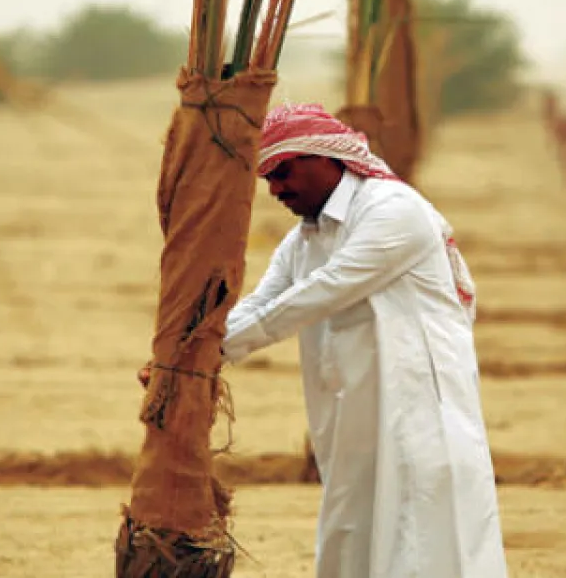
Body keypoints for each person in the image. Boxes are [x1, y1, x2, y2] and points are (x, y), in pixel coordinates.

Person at [212, 102, 509, 577]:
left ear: (327, 159)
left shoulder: (394, 211)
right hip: (353, 415)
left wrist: (217, 349)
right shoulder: (303, 237)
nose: (276, 189)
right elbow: (261, 301)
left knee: (425, 531)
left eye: (284, 172)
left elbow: (321, 292)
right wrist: (188, 356)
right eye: (267, 178)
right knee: (352, 533)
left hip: (419, 408)